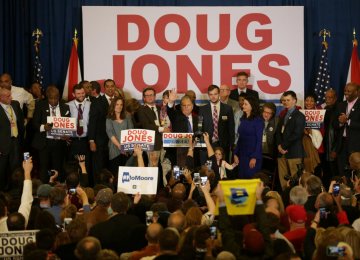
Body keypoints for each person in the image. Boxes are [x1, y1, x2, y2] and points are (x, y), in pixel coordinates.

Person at [32, 85, 70, 183]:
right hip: (44, 143)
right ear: (47, 97)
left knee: (58, 167)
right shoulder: (40, 105)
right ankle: (44, 189)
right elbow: (34, 124)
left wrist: (67, 135)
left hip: (59, 144)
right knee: (44, 167)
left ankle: (57, 190)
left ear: (59, 97)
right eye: (51, 98)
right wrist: (43, 127)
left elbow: (68, 125)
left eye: (56, 98)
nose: (53, 101)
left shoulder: (65, 106)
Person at [275, 91, 305, 190]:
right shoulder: (283, 115)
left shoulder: (300, 116)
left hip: (294, 152)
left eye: (288, 100)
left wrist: (283, 146)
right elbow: (278, 132)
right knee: (283, 178)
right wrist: (279, 145)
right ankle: (285, 197)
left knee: (296, 179)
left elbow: (297, 134)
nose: (285, 102)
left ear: (294, 101)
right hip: (281, 152)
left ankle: (296, 202)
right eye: (284, 100)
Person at [200, 85, 235, 164]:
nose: (213, 97)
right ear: (208, 95)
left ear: (219, 94)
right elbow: (200, 128)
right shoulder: (202, 109)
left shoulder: (228, 108)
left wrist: (231, 145)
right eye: (211, 94)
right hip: (208, 144)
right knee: (208, 167)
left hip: (223, 144)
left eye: (215, 94)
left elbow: (231, 128)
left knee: (222, 168)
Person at [88, 79, 116, 179]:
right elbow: (92, 122)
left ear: (115, 87)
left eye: (112, 86)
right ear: (104, 88)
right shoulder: (97, 102)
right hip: (100, 141)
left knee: (113, 168)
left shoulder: (119, 101)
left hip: (115, 142)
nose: (110, 88)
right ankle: (98, 190)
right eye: (107, 86)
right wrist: (91, 140)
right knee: (99, 168)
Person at [137, 87, 170, 166]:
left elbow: (166, 121)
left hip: (165, 142)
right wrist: (162, 129)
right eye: (147, 95)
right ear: (144, 98)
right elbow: (145, 125)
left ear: (155, 96)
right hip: (151, 144)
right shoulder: (141, 110)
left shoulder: (161, 108)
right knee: (153, 167)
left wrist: (167, 128)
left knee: (165, 167)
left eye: (151, 95)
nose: (149, 97)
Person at [0, 88, 25, 190]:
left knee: (15, 169)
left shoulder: (15, 104)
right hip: (2, 145)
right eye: (8, 96)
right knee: (2, 170)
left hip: (16, 141)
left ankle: (14, 191)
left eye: (10, 95)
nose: (11, 97)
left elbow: (20, 123)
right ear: (1, 97)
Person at [233, 95, 264, 179]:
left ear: (252, 106)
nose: (243, 106)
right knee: (241, 179)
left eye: (246, 104)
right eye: (243, 104)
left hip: (252, 156)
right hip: (242, 155)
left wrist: (254, 157)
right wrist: (236, 153)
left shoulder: (258, 121)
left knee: (251, 179)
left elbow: (259, 141)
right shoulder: (243, 119)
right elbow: (240, 138)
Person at [67, 83, 92, 183]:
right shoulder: (68, 106)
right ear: (73, 94)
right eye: (78, 93)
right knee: (73, 166)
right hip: (73, 141)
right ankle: (72, 186)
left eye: (82, 93)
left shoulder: (90, 105)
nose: (81, 95)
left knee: (86, 165)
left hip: (86, 140)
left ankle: (86, 186)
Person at [167, 90, 198, 167]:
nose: (186, 107)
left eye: (189, 105)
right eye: (184, 105)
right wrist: (170, 101)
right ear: (180, 106)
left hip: (195, 150)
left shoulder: (197, 118)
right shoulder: (176, 116)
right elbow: (170, 111)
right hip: (180, 152)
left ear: (192, 106)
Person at [335, 82, 360, 177]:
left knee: (356, 171)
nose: (346, 93)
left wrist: (348, 121)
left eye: (349, 91)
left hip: (356, 145)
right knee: (342, 171)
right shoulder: (341, 105)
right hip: (342, 144)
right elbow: (334, 124)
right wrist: (341, 122)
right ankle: (344, 190)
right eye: (345, 90)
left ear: (357, 92)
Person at [106, 96, 134, 178]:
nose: (119, 106)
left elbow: (131, 131)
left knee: (127, 175)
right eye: (117, 104)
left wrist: (125, 147)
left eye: (121, 105)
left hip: (127, 148)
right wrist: (119, 146)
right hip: (114, 149)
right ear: (113, 105)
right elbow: (110, 133)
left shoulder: (127, 116)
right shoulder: (109, 118)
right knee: (115, 174)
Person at [302, 94, 322, 174]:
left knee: (316, 169)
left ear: (315, 103)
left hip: (315, 144)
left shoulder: (319, 114)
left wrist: (311, 132)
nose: (309, 103)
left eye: (311, 101)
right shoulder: (300, 113)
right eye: (307, 100)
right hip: (303, 144)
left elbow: (322, 130)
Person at [323, 89, 339, 185]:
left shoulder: (339, 110)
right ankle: (327, 193)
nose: (327, 99)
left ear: (335, 98)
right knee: (326, 172)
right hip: (325, 148)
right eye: (326, 97)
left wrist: (335, 149)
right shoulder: (324, 110)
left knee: (335, 174)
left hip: (333, 148)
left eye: (330, 97)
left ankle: (336, 194)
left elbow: (340, 133)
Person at [261, 102, 279, 174]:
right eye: (265, 112)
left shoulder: (276, 121)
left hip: (270, 153)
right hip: (258, 152)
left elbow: (278, 138)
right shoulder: (257, 120)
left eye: (269, 113)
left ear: (273, 114)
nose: (266, 114)